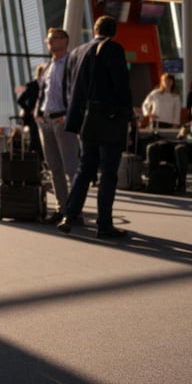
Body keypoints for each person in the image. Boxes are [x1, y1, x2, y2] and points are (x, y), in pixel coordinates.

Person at [57, 16, 132, 239]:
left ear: (95, 30)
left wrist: (75, 119)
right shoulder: (113, 49)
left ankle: (69, 216)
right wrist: (127, 116)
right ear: (114, 32)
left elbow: (67, 88)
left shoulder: (76, 52)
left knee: (85, 168)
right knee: (108, 171)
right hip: (108, 119)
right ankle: (104, 225)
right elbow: (121, 85)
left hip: (85, 121)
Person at [36, 28, 78, 224]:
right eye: (48, 40)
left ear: (65, 41)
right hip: (46, 121)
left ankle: (75, 211)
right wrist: (37, 113)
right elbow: (42, 92)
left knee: (70, 167)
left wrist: (69, 115)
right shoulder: (48, 66)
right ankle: (62, 208)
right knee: (54, 167)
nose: (50, 42)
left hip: (63, 120)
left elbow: (78, 92)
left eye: (53, 39)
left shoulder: (71, 63)